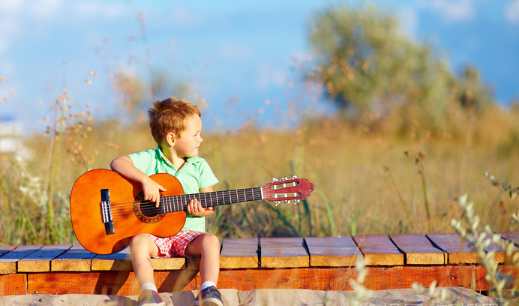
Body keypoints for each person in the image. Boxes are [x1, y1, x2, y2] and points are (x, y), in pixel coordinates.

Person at [110, 97, 223, 306]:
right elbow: (118, 162)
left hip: (189, 236)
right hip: (154, 236)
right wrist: (145, 180)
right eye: (195, 135)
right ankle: (149, 292)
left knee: (211, 241)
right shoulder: (150, 159)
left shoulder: (200, 166)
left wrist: (202, 211)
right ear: (172, 139)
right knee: (137, 243)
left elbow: (210, 205)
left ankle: (208, 290)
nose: (201, 139)